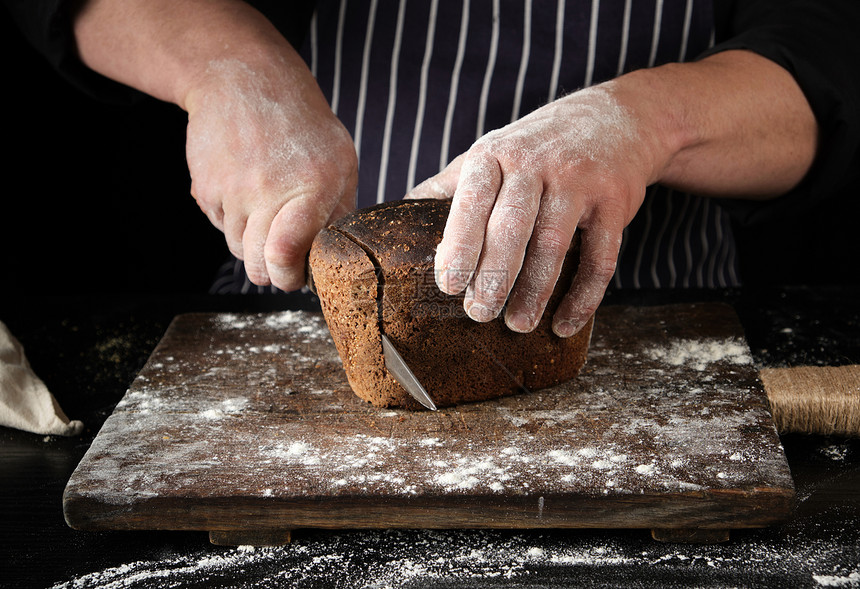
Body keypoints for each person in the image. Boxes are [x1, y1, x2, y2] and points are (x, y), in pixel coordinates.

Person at [5, 0, 859, 334]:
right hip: (291, 318)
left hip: (651, 321)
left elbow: (832, 48)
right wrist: (221, 65)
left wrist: (646, 119)